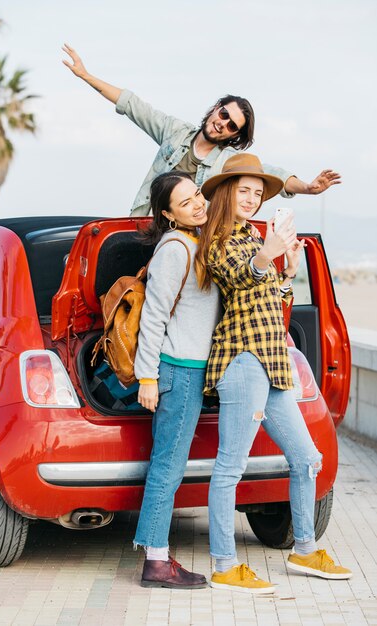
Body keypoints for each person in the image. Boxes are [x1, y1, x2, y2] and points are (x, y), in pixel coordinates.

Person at [194, 153, 352, 594]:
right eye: (244, 190)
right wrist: (267, 256)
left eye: (258, 193)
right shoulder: (216, 237)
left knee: (308, 460)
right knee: (231, 466)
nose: (251, 199)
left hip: (274, 361)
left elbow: (268, 300)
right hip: (242, 360)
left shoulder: (252, 234)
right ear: (226, 191)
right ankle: (225, 564)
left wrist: (291, 272)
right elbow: (237, 279)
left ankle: (304, 550)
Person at [62, 44, 341, 216]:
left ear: (234, 136)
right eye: (224, 114)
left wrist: (307, 187)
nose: (223, 123)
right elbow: (133, 105)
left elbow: (269, 174)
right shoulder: (175, 132)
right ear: (215, 109)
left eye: (232, 126)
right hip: (147, 222)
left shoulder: (226, 160)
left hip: (190, 238)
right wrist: (86, 76)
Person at [132, 170, 221, 589]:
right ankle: (155, 561)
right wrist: (146, 377)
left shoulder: (196, 242)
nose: (198, 204)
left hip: (189, 370)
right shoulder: (175, 247)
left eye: (198, 194)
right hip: (178, 371)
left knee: (170, 464)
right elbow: (153, 315)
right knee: (167, 466)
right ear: (168, 213)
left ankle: (157, 556)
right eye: (186, 203)